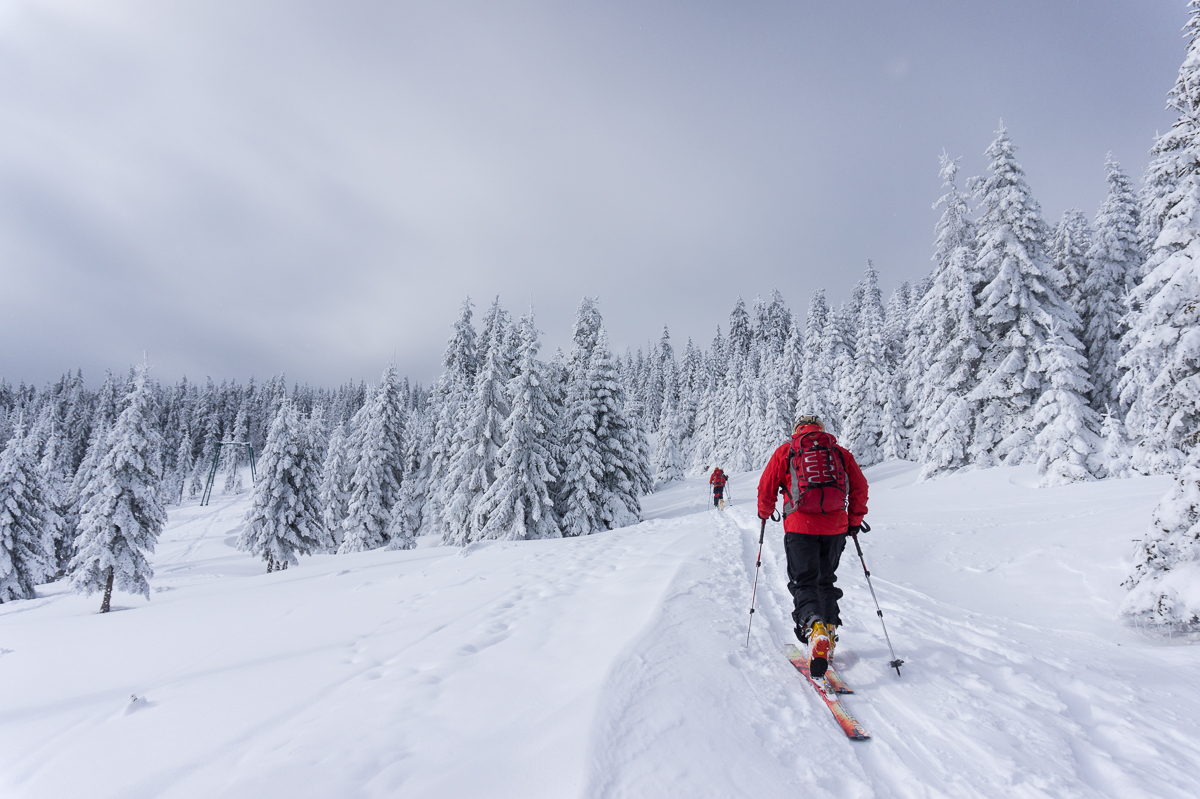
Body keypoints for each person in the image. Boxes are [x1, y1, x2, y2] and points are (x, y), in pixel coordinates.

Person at [757, 415, 868, 678]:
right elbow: (860, 488)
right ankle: (828, 631)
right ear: (821, 430)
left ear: (797, 430)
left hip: (799, 527)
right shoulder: (839, 453)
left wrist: (764, 512)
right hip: (836, 528)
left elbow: (766, 487)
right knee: (826, 580)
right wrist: (853, 521)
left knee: (804, 583)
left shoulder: (788, 451)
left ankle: (814, 627)